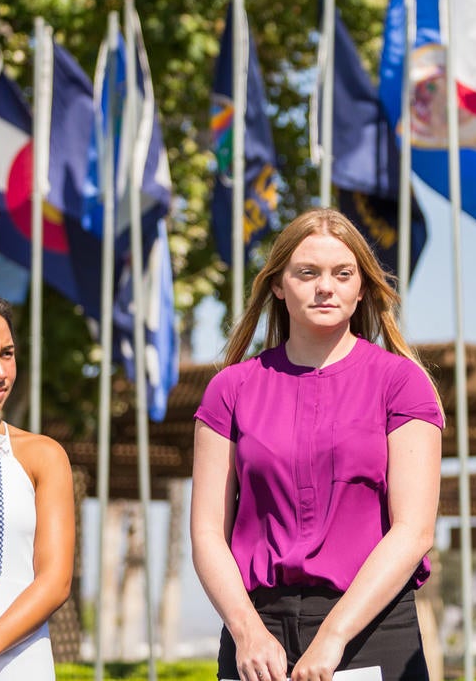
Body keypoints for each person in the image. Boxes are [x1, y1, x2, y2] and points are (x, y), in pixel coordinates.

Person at [190, 208, 443, 681]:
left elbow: (413, 531)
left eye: (342, 274)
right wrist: (246, 631)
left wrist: (333, 636)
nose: (326, 287)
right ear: (277, 285)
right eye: (307, 273)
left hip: (371, 628)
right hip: (256, 637)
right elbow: (206, 532)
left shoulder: (402, 383)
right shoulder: (230, 389)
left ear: (361, 287)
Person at [0, 264, 74, 681]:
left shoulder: (43, 455)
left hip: (18, 666)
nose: (0, 372)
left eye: (7, 353)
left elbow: (55, 581)